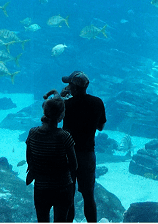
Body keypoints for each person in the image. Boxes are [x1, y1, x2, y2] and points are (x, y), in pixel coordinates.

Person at [61, 70, 106, 223]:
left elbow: (51, 114)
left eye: (69, 84)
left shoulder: (66, 105)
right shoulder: (97, 102)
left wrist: (62, 97)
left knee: (69, 193)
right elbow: (100, 127)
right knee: (88, 195)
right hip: (87, 154)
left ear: (73, 87)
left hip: (68, 154)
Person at [26, 90, 78, 222]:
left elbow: (29, 158)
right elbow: (74, 165)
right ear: (61, 116)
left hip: (41, 188)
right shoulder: (64, 136)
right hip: (63, 187)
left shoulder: (32, 133)